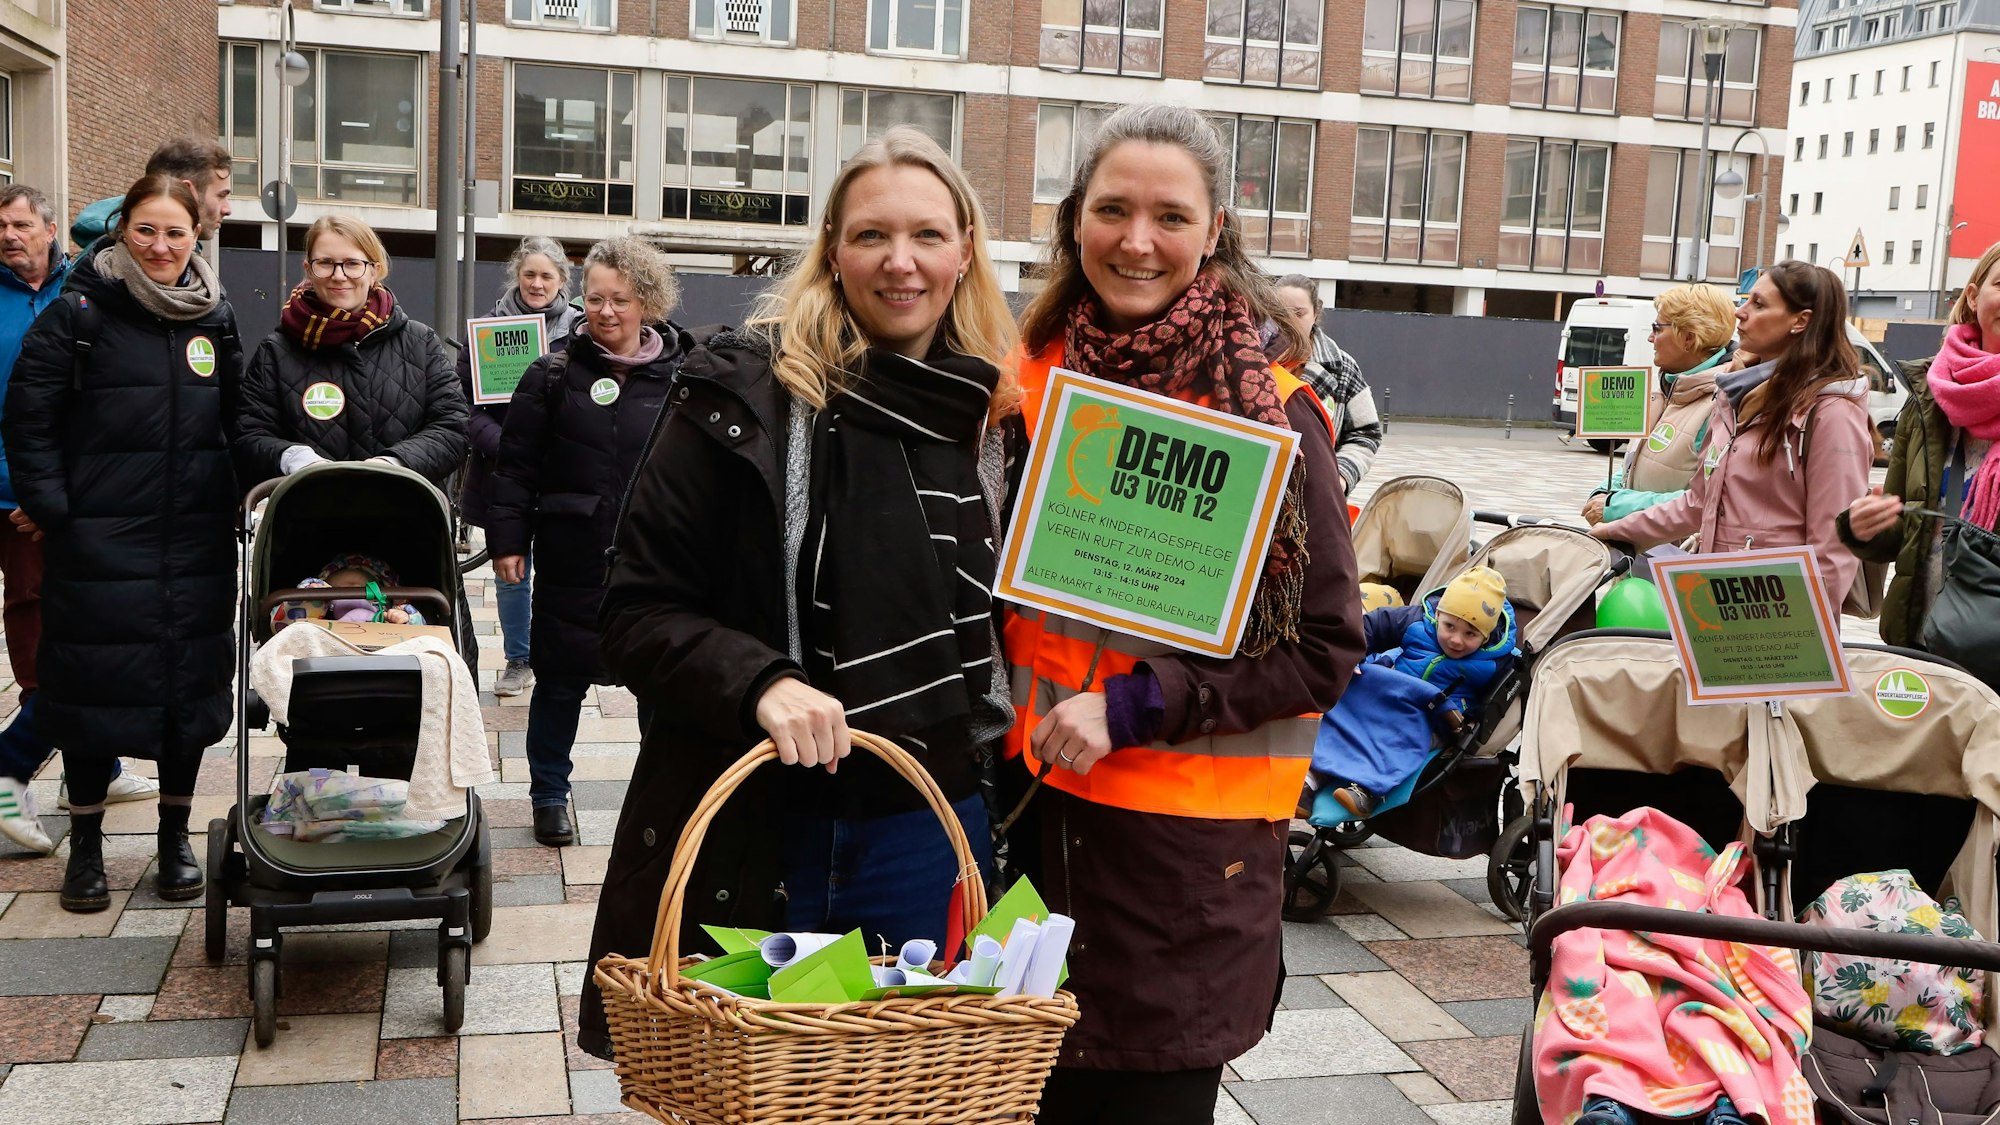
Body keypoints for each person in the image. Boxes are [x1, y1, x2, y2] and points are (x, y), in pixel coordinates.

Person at [576, 127, 1019, 1059]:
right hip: (765, 828)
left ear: (965, 250)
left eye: (929, 236)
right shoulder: (742, 393)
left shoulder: (996, 417)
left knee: (907, 1098)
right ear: (831, 249)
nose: (901, 263)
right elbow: (632, 612)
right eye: (871, 236)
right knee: (759, 1096)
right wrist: (760, 679)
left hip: (930, 825)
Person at [1006, 103, 1365, 1122]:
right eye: (1111, 209)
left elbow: (1323, 650)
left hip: (1179, 873)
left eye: (1168, 215)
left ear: (1215, 229)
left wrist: (1130, 707)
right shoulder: (1025, 381)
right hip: (1030, 834)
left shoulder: (1269, 409)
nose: (1135, 239)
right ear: (1075, 219)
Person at [2, 175, 243, 911]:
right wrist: (55, 508)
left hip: (194, 540)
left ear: (195, 238)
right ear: (122, 231)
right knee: (87, 692)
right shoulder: (81, 311)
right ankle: (88, 853)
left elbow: (238, 419)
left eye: (176, 233)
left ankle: (173, 841)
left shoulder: (215, 317)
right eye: (147, 230)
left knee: (187, 692)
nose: (161, 247)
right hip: (100, 544)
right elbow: (28, 416)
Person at [486, 237, 687, 848]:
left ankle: (665, 799)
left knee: (664, 687)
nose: (605, 311)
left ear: (647, 302)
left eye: (620, 299)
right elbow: (516, 467)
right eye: (595, 298)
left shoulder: (685, 377)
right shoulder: (550, 374)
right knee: (559, 681)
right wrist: (508, 540)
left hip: (656, 563)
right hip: (572, 552)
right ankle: (549, 794)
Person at [0, 186, 161, 853]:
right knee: (52, 635)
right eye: (1, 225)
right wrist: (32, 493)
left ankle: (90, 765)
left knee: (80, 636)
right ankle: (15, 766)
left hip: (72, 501)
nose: (9, 235)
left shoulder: (83, 292)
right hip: (19, 495)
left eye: (19, 224)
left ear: (51, 229)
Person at [1591, 262, 1872, 600]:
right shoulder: (1734, 397)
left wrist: (1803, 637)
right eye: (1746, 301)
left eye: (1759, 304)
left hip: (1778, 623)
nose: (1740, 313)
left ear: (1801, 321)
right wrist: (1615, 528)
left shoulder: (1832, 414)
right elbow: (1698, 504)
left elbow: (1832, 547)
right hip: (1718, 606)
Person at [1838, 241, 2000, 646]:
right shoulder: (1930, 399)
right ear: (1975, 296)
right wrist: (1864, 527)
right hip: (1924, 638)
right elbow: (1905, 530)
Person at [235, 215, 468, 486]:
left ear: (374, 270)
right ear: (309, 269)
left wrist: (394, 465)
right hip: (306, 519)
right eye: (325, 263)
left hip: (407, 518)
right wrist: (296, 459)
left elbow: (453, 427)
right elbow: (248, 436)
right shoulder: (276, 352)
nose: (338, 275)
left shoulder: (420, 343)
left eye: (352, 264)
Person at [458, 237, 583, 699]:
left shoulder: (582, 331)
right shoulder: (487, 332)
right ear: (516, 276)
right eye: (529, 274)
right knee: (511, 569)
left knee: (564, 568)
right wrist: (510, 446)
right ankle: (519, 659)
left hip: (564, 472)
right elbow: (464, 406)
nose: (537, 283)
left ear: (561, 282)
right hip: (503, 472)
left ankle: (559, 656)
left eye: (547, 276)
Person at [1318, 566, 1518, 817]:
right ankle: (1313, 776)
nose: (1456, 640)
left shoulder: (1494, 662)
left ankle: (1369, 789)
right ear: (1439, 613)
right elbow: (1373, 625)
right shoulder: (1418, 622)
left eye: (1471, 634)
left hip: (1434, 718)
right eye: (1449, 626)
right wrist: (1353, 655)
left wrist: (1469, 718)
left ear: (1486, 637)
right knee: (1344, 709)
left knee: (1405, 737)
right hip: (1393, 696)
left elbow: (1498, 698)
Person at [1580, 284, 1737, 525]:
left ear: (1689, 338)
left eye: (1657, 328)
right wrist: (1603, 491)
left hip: (1679, 559)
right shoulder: (1667, 389)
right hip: (1641, 551)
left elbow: (1706, 500)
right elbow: (1633, 467)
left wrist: (1617, 507)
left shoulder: (1721, 403)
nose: (1650, 337)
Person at [1272, 274, 1382, 492]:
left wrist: (1340, 477)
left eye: (1299, 313)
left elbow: (1366, 434)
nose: (1289, 321)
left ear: (1316, 313)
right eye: (1280, 313)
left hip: (1317, 497)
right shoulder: (1250, 361)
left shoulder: (1343, 368)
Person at [70, 139, 234, 254]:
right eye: (221, 196)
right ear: (185, 190)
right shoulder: (104, 271)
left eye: (174, 234)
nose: (227, 210)